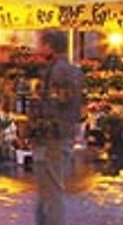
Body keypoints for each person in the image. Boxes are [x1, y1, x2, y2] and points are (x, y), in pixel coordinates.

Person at [33, 29, 84, 225]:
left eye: (40, 43)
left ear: (49, 46)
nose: (37, 48)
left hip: (51, 138)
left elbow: (52, 106)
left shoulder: (55, 71)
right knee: (47, 191)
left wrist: (34, 127)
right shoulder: (72, 69)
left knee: (52, 191)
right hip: (63, 134)